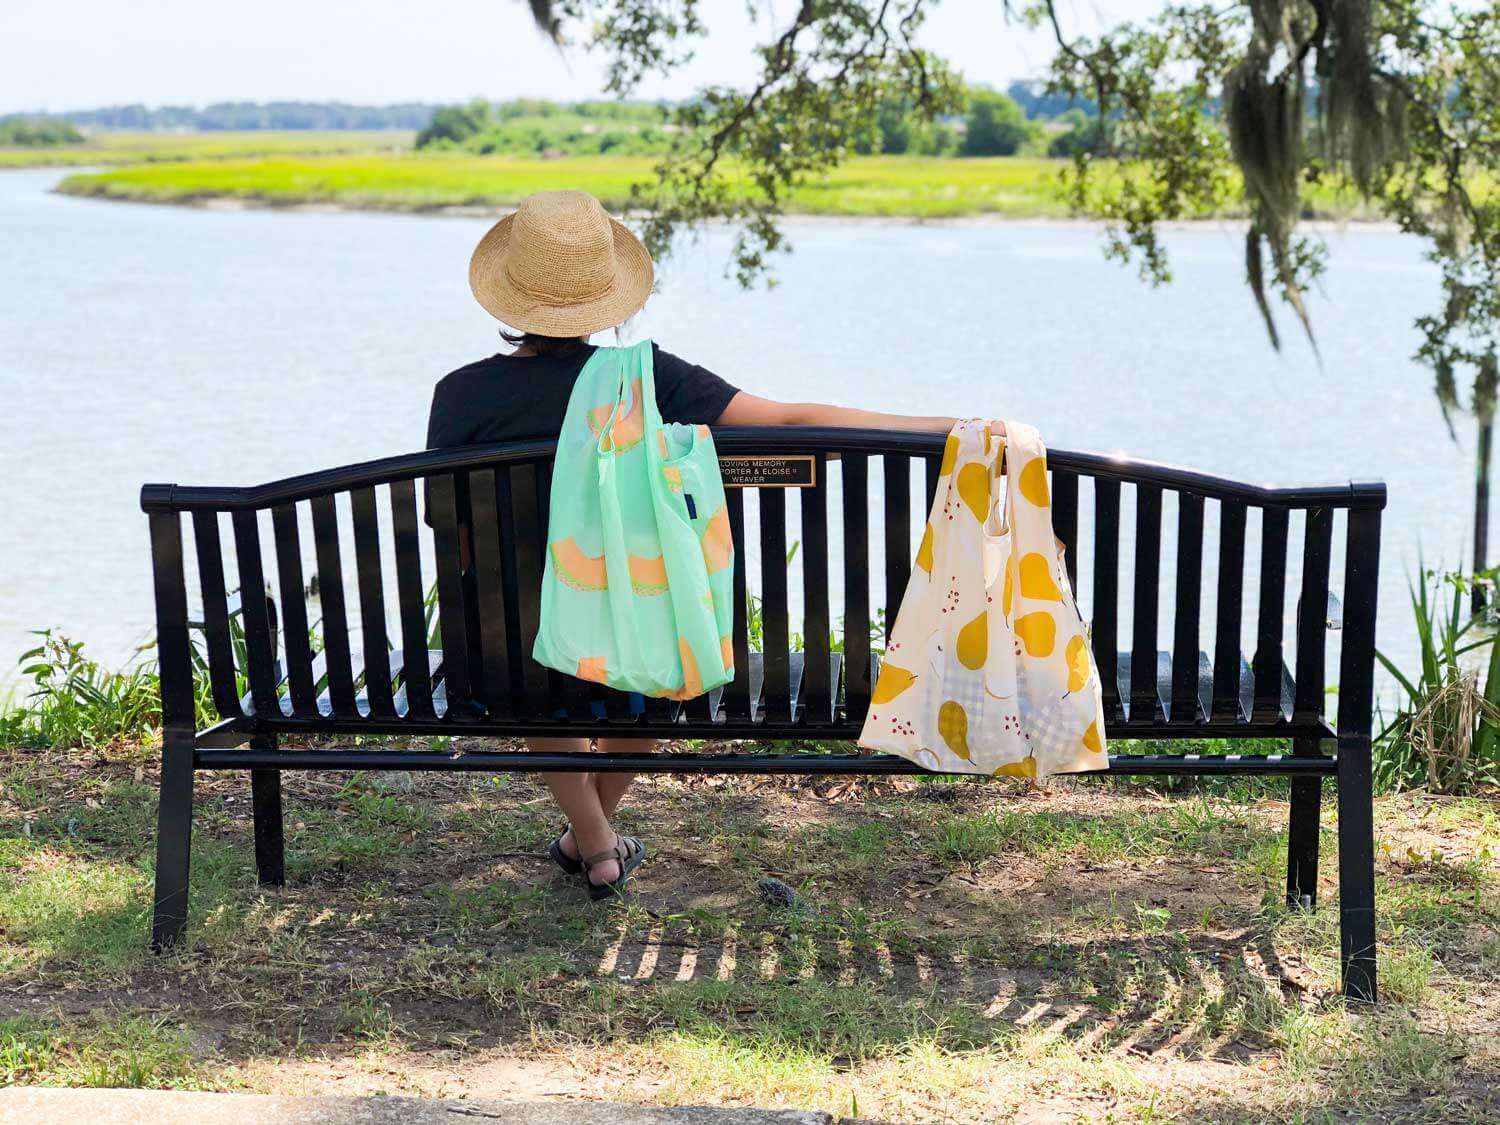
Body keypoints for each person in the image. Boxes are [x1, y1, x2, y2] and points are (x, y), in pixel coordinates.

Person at [428, 189, 989, 899]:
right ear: (607, 297)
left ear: (509, 299)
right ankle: (598, 841)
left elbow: (460, 543)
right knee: (648, 641)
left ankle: (591, 841)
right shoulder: (648, 379)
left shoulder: (459, 395)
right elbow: (792, 419)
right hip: (636, 650)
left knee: (536, 631)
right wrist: (942, 429)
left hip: (506, 662)